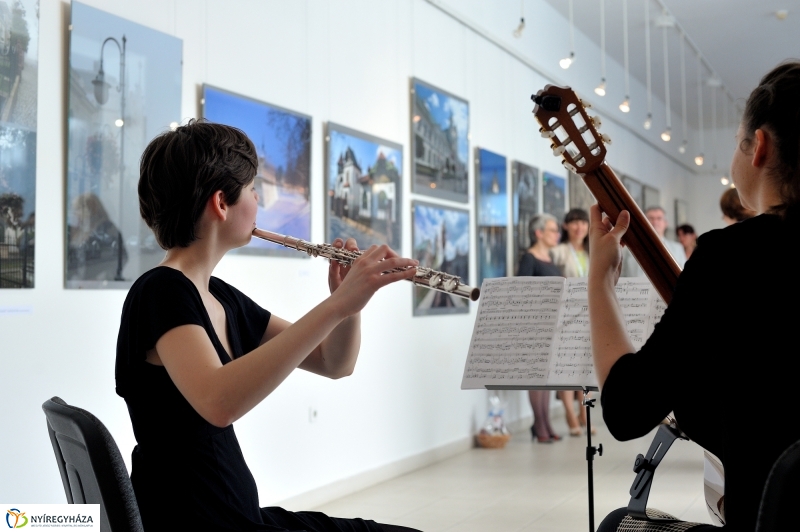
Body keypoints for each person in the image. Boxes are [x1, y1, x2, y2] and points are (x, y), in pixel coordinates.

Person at [116, 120, 422, 532]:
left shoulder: (218, 295)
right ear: (221, 203)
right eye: (253, 188)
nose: (259, 199)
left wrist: (348, 304)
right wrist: (335, 306)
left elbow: (334, 363)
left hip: (233, 514)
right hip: (198, 521)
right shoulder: (161, 292)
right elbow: (218, 401)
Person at [591, 61, 800, 532]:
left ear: (759, 147)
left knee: (620, 525)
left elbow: (626, 409)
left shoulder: (731, 256)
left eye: (737, 142)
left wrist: (600, 283)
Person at [517, 213, 562, 443]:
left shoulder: (550, 257)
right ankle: (539, 425)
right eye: (553, 230)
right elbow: (522, 290)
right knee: (536, 378)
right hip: (535, 325)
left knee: (546, 378)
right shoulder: (529, 258)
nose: (557, 234)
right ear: (539, 233)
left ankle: (545, 423)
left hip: (552, 324)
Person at [550, 208, 591, 437]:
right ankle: (569, 413)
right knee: (566, 366)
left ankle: (584, 413)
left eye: (583, 223)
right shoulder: (559, 252)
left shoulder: (590, 252)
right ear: (566, 226)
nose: (579, 227)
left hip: (589, 314)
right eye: (574, 223)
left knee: (585, 366)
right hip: (565, 314)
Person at [620, 206, 686, 277]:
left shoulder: (678, 249)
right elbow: (621, 276)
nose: (655, 222)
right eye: (651, 218)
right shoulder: (628, 249)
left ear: (665, 223)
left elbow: (685, 276)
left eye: (659, 218)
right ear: (643, 221)